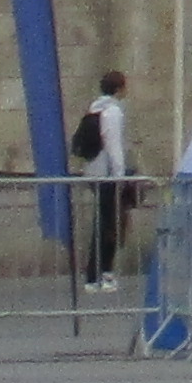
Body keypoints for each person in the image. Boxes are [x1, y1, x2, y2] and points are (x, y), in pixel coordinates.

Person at [73, 67, 135, 286]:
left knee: (105, 223)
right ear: (119, 88)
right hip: (108, 175)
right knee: (108, 224)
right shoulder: (113, 112)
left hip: (94, 172)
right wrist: (120, 176)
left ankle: (100, 272)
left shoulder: (95, 109)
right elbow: (113, 145)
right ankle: (100, 273)